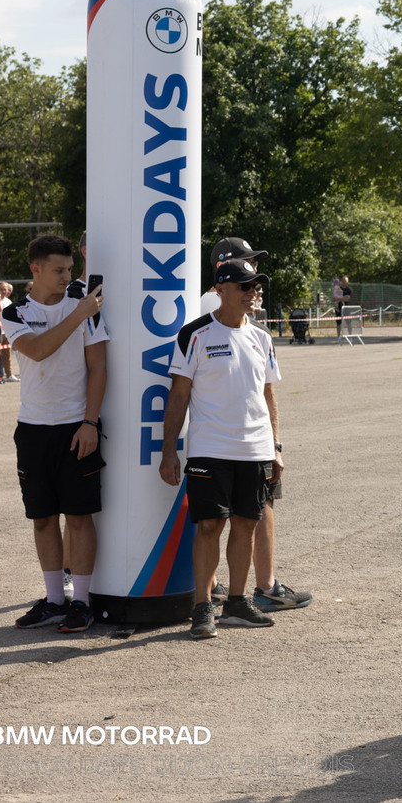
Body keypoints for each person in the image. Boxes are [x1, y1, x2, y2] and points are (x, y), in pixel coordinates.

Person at [159, 259, 284, 639]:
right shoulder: (194, 334)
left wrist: (276, 446)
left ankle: (237, 603)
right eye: (245, 286)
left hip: (255, 448)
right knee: (210, 525)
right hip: (209, 448)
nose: (253, 293)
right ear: (221, 289)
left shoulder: (262, 337)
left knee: (246, 525)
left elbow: (268, 394)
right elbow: (178, 397)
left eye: (255, 286)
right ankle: (202, 608)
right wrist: (169, 451)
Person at [197, 237, 311, 613]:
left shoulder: (237, 314)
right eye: (246, 269)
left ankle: (225, 588)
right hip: (228, 439)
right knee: (250, 513)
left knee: (238, 516)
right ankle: (264, 586)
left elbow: (266, 388)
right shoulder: (214, 306)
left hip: (246, 438)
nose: (254, 286)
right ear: (224, 274)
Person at [1, 235, 108, 632]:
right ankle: (53, 600)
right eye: (58, 270)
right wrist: (77, 315)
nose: (66, 277)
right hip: (32, 429)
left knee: (79, 518)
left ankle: (81, 603)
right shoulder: (14, 312)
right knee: (43, 518)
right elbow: (40, 350)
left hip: (75, 427)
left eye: (69, 269)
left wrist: (90, 422)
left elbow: (99, 369)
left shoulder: (85, 308)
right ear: (36, 269)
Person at [0, 282, 20, 382]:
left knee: (7, 355)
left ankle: (9, 374)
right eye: (1, 289)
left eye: (5, 289)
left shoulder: (8, 301)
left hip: (7, 332)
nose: (3, 291)